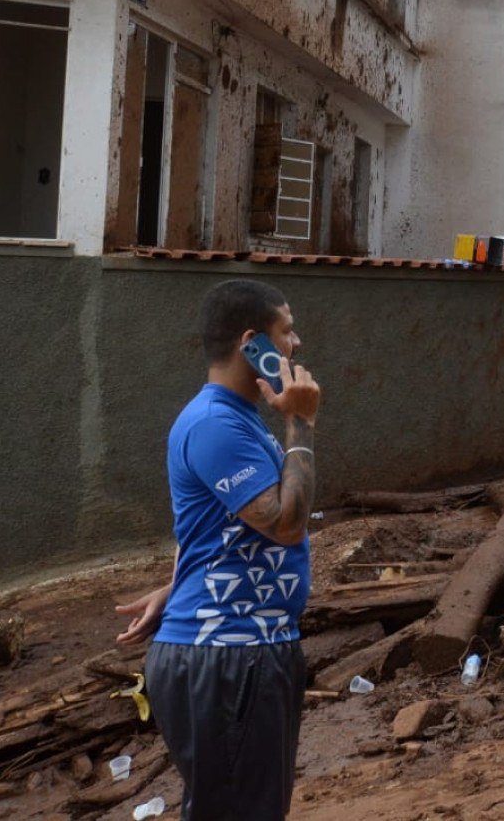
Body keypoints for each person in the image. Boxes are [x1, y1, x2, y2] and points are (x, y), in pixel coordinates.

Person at [113, 279, 322, 820]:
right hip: (230, 655)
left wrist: (174, 585)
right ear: (251, 342)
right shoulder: (214, 425)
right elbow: (285, 524)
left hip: (240, 649)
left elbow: (209, 529)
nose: (295, 343)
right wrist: (301, 422)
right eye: (286, 331)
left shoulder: (237, 419)